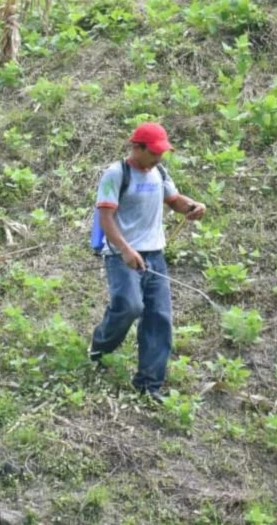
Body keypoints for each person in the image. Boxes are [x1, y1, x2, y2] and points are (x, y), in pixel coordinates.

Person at [89, 122, 206, 403]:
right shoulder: (116, 174)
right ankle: (99, 346)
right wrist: (127, 250)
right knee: (129, 306)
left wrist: (192, 206)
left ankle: (148, 385)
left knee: (159, 318)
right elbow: (105, 219)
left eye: (162, 152)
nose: (159, 157)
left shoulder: (159, 172)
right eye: (154, 152)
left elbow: (174, 200)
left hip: (155, 255)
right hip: (122, 255)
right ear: (137, 147)